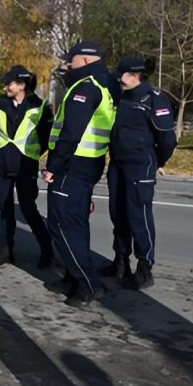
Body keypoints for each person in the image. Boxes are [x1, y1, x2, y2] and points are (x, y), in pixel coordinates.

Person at [41, 40, 118, 307]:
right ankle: (75, 278)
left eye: (70, 59)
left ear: (85, 60)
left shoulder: (85, 88)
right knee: (76, 223)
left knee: (62, 224)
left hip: (73, 166)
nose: (66, 64)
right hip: (88, 164)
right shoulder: (103, 86)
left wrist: (54, 166)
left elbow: (70, 133)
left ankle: (88, 284)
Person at [102, 56, 177, 290]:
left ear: (133, 75)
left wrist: (156, 162)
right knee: (118, 214)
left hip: (140, 165)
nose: (118, 77)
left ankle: (145, 268)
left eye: (121, 74)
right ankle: (120, 262)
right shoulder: (119, 97)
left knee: (139, 217)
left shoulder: (155, 100)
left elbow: (167, 140)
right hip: (117, 164)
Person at [0, 65, 55, 268]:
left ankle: (47, 250)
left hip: (25, 164)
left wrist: (30, 154)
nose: (5, 86)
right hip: (2, 163)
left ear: (22, 85)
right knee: (5, 208)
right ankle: (5, 251)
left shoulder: (40, 106)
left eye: (9, 83)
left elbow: (45, 138)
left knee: (28, 209)